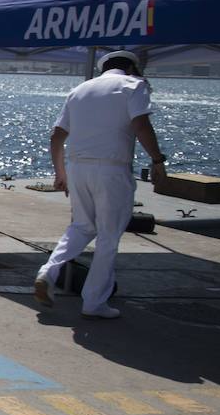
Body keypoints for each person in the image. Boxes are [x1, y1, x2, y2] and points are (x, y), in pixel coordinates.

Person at [34, 49, 167, 319]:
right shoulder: (133, 85)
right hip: (112, 169)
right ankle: (94, 302)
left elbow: (57, 135)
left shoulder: (80, 90)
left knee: (81, 226)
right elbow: (141, 124)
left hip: (77, 168)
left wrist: (60, 173)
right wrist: (157, 159)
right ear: (131, 68)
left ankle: (48, 271)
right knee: (108, 235)